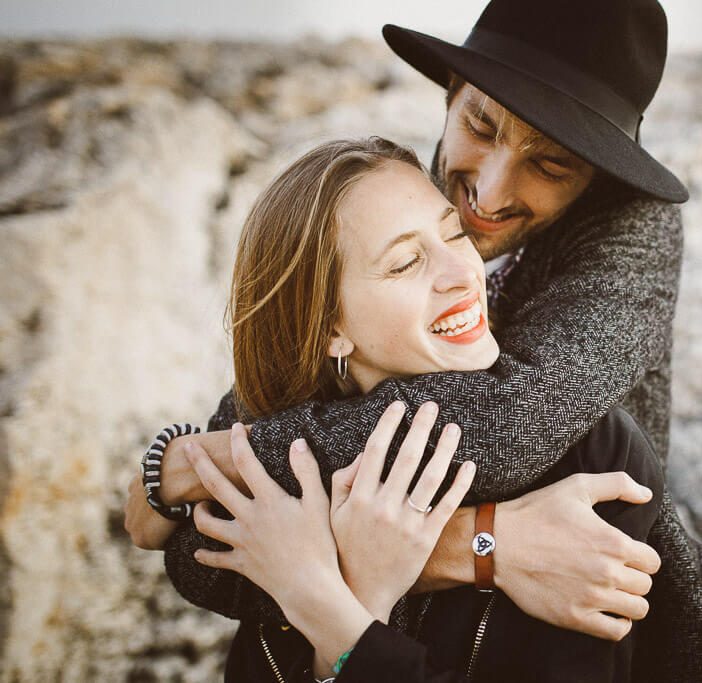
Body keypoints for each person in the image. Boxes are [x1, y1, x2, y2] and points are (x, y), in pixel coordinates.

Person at [125, 0, 702, 680]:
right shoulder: (396, 202)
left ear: (600, 173)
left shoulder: (632, 241)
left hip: (584, 580)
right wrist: (479, 546)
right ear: (452, 94)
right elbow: (198, 557)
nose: (486, 194)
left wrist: (215, 463)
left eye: (550, 166)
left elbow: (509, 423)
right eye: (481, 126)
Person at [163, 136, 666, 681]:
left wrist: (327, 604)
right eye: (405, 263)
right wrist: (367, 594)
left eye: (455, 233)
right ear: (330, 329)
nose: (463, 273)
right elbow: (195, 566)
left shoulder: (594, 457)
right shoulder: (269, 457)